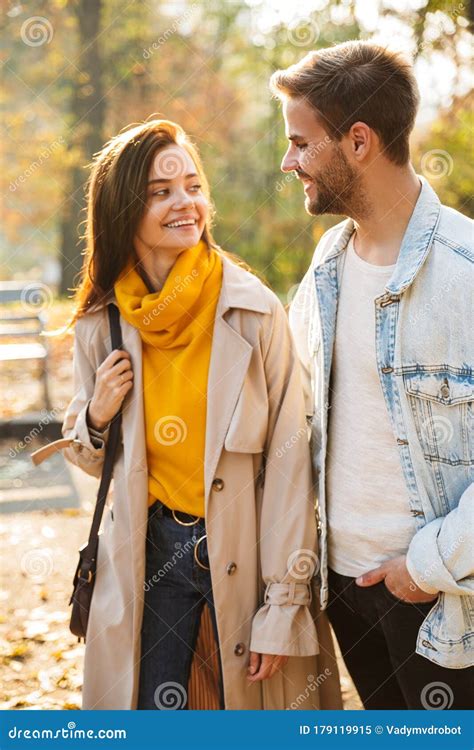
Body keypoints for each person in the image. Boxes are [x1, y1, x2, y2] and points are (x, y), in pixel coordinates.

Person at [33, 118, 341, 710]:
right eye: (161, 191)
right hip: (146, 561)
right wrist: (96, 416)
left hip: (246, 561)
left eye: (194, 186)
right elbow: (90, 455)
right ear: (125, 207)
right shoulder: (105, 321)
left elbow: (289, 470)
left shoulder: (254, 314)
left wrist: (282, 606)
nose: (186, 203)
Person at [270, 41, 473, 709]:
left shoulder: (464, 272)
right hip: (348, 594)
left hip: (446, 602)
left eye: (301, 143)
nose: (288, 160)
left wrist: (424, 568)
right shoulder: (328, 265)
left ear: (359, 141)